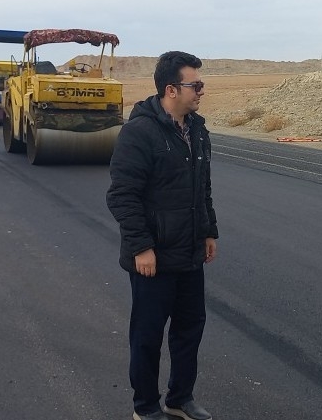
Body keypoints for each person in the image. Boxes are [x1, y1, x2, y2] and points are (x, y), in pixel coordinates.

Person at [106, 51, 219, 420]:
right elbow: (122, 195)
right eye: (195, 85)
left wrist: (209, 231)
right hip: (153, 257)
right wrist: (141, 246)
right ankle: (145, 407)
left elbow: (202, 188)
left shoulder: (197, 129)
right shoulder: (139, 132)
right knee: (148, 335)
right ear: (171, 89)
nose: (201, 91)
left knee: (190, 329)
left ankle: (179, 399)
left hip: (189, 253)